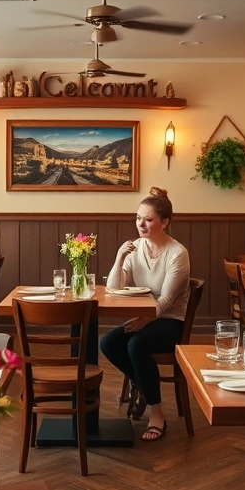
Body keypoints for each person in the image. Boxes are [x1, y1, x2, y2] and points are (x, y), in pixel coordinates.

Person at [99, 187, 190, 442]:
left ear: (165, 222)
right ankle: (141, 384)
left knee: (136, 345)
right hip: (145, 318)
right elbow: (113, 288)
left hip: (170, 321)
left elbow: (167, 301)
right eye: (138, 218)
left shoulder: (177, 253)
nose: (141, 224)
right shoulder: (135, 248)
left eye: (148, 219)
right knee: (107, 342)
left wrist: (145, 319)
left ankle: (157, 413)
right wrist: (119, 257)